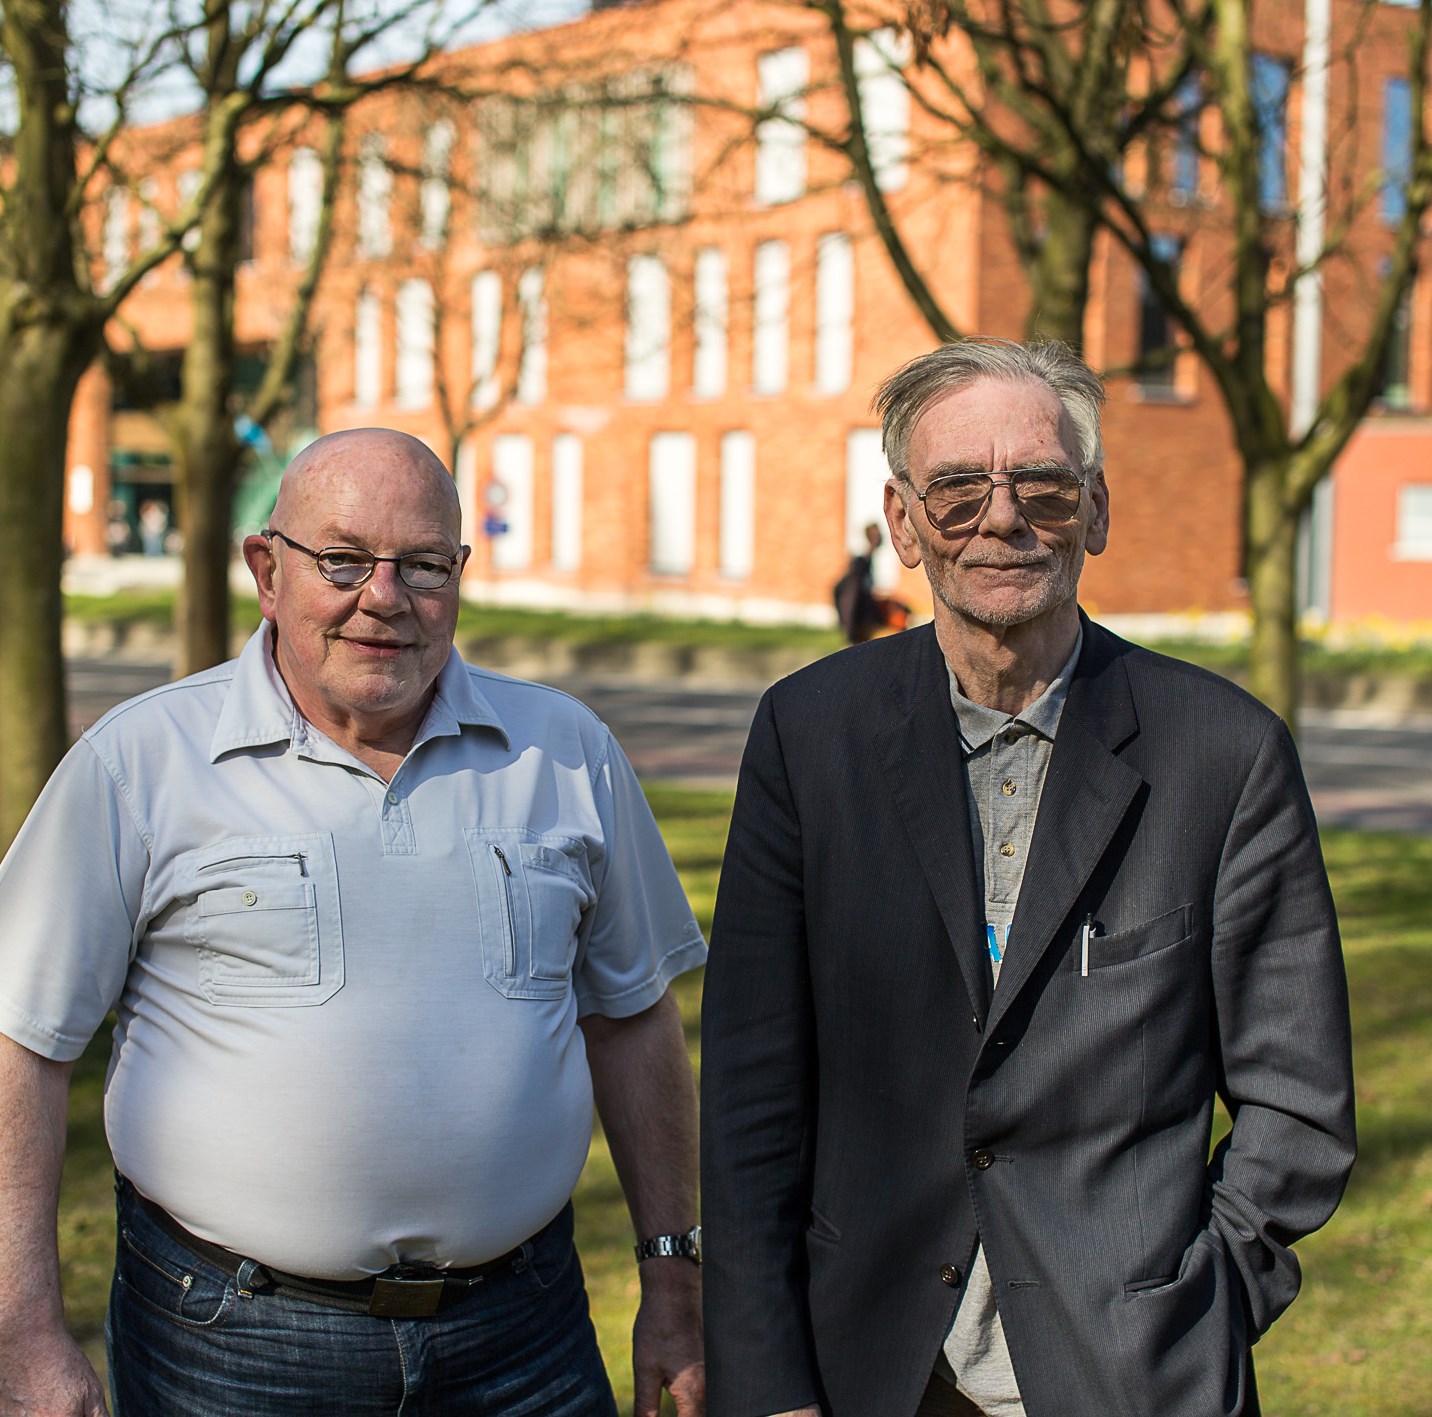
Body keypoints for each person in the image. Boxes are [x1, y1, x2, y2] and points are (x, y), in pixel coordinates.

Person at [699, 338, 1354, 1417]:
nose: (1001, 519)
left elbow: (1300, 1104)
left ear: (1093, 511)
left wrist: (1198, 1301)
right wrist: (767, 1382)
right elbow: (750, 1096)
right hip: (864, 1361)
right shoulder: (808, 734)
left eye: (1042, 486)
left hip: (1129, 1374)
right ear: (902, 522)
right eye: (956, 489)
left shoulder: (1221, 752)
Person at [0, 429, 707, 1417]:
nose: (383, 596)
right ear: (265, 569)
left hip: (521, 1339)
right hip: (230, 1347)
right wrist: (22, 1321)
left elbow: (633, 1018)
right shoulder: (140, 763)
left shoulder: (564, 752)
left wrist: (672, 1277)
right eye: (341, 560)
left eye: (422, 564)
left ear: (459, 574)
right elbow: (19, 1043)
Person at [833, 523, 910, 644]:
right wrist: (850, 629)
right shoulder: (860, 564)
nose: (881, 537)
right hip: (866, 626)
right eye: (877, 534)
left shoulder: (867, 563)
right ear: (871, 537)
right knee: (901, 639)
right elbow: (849, 594)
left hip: (870, 622)